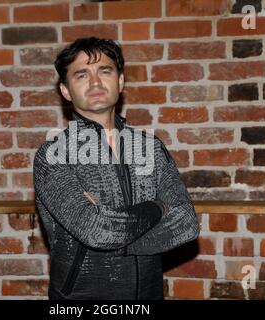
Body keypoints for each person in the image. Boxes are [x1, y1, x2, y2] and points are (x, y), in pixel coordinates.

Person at [33, 37, 199, 300]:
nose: (95, 82)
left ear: (120, 82)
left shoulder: (150, 148)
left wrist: (109, 225)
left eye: (105, 71)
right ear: (66, 91)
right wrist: (159, 208)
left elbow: (186, 224)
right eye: (81, 74)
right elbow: (96, 231)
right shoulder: (53, 155)